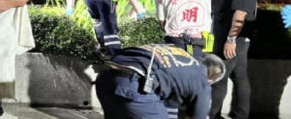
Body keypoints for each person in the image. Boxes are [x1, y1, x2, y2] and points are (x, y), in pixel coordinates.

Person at [95, 44, 226, 119]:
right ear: (211, 78)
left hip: (105, 75)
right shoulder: (203, 82)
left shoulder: (179, 52)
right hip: (133, 84)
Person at [207, 0, 260, 119]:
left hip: (233, 37)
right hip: (232, 37)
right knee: (239, 77)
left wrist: (230, 40)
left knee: (218, 77)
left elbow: (241, 13)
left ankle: (212, 115)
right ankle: (241, 115)